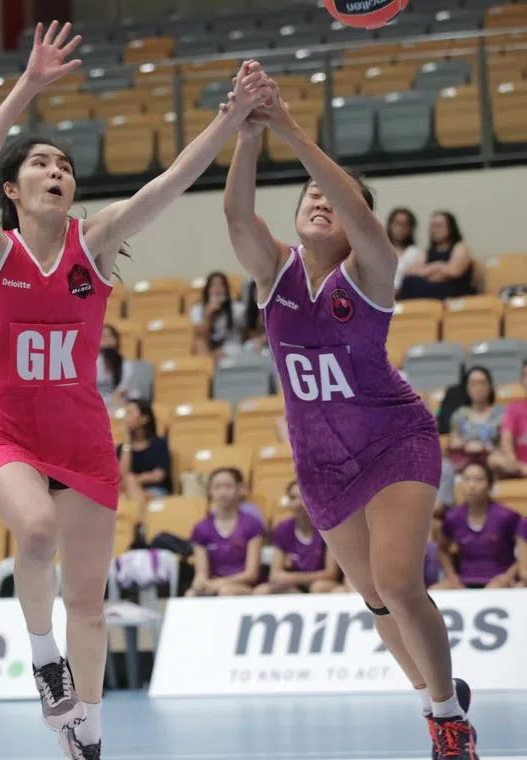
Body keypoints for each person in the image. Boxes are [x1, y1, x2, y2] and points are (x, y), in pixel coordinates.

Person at [0, 20, 272, 758]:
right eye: (40, 163)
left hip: (81, 435)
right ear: (14, 189)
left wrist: (230, 118)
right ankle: (43, 658)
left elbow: (170, 184)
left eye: (64, 165)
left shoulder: (91, 242)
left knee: (89, 604)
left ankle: (89, 738)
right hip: (4, 428)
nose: (56, 171)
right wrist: (29, 85)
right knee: (36, 532)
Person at [223, 67, 479, 759]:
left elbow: (360, 217)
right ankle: (435, 702)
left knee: (399, 581)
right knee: (373, 599)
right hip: (322, 463)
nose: (318, 201)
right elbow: (238, 217)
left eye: (330, 197)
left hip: (395, 440)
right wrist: (248, 132)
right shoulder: (273, 271)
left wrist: (292, 130)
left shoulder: (370, 271)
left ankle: (450, 720)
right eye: (308, 196)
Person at [432, 462, 520, 590]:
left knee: (494, 591)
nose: (472, 485)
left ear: (490, 484)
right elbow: (442, 549)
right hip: (464, 581)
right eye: (467, 479)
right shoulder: (453, 517)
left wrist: (507, 576)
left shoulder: (507, 516)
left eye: (479, 480)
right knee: (435, 590)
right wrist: (451, 575)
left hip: (499, 581)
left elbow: (524, 553)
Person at [186, 468, 265, 597]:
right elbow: (201, 573)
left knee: (226, 591)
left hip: (245, 586)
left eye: (228, 486)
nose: (223, 492)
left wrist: (219, 583)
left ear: (239, 489)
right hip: (214, 584)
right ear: (210, 491)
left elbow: (251, 574)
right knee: (190, 595)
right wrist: (199, 583)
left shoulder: (252, 524)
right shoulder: (201, 528)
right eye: (217, 487)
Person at [253, 481, 341, 595]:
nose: (298, 503)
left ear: (313, 499)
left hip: (321, 584)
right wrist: (291, 581)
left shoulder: (327, 526)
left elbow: (331, 573)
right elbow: (275, 575)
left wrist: (291, 578)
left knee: (319, 587)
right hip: (295, 585)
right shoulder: (282, 529)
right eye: (293, 498)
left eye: (303, 497)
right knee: (261, 591)